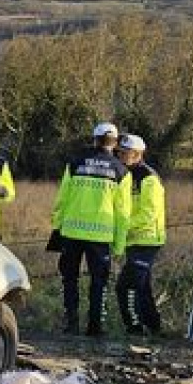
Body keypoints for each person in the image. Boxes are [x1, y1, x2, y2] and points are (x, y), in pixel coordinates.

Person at [50, 122, 131, 337]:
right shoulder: (121, 171)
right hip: (100, 237)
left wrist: (58, 227)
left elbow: (62, 199)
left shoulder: (75, 163)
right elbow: (123, 212)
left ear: (94, 139)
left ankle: (71, 323)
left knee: (69, 279)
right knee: (99, 282)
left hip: (71, 233)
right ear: (115, 143)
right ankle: (95, 327)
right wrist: (120, 245)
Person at [113, 133, 166, 335]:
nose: (121, 157)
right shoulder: (125, 175)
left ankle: (134, 328)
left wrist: (122, 226)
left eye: (126, 153)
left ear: (137, 154)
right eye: (120, 153)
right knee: (142, 288)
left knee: (127, 286)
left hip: (147, 239)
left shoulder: (148, 178)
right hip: (133, 240)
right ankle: (154, 327)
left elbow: (148, 214)